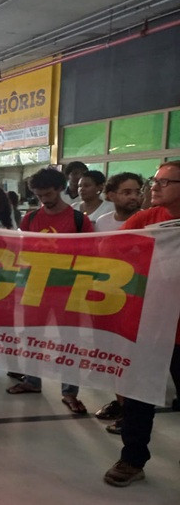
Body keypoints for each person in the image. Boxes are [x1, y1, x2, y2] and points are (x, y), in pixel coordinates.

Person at [103, 161, 180, 487]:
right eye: (155, 181)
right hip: (150, 325)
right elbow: (111, 248)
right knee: (137, 397)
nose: (155, 187)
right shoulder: (148, 219)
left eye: (165, 182)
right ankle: (132, 460)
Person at [6, 168, 92, 414]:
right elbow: (24, 251)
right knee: (33, 336)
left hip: (68, 288)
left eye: (48, 194)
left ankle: (70, 392)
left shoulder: (78, 220)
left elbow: (89, 256)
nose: (44, 199)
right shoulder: (30, 219)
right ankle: (32, 381)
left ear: (60, 189)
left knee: (69, 341)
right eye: (39, 195)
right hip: (36, 285)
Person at [92, 172, 144, 435]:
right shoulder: (101, 222)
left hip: (139, 302)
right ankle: (122, 402)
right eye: (126, 192)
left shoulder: (147, 222)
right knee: (114, 355)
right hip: (111, 300)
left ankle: (131, 411)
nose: (134, 197)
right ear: (110, 195)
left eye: (137, 191)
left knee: (132, 359)